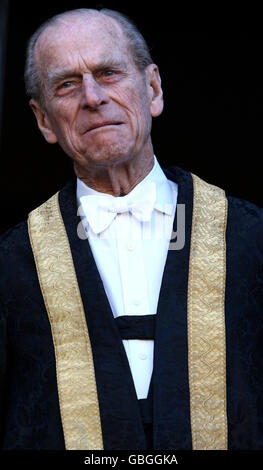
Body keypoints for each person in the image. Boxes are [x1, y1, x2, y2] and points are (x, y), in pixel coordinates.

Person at [1, 7, 263, 451]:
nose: (92, 97)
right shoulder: (10, 260)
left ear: (154, 88)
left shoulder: (250, 236)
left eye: (108, 73)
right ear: (44, 120)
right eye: (66, 84)